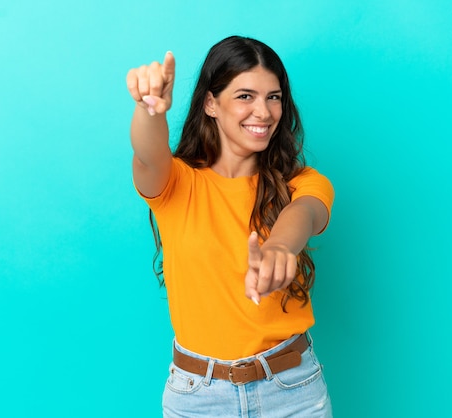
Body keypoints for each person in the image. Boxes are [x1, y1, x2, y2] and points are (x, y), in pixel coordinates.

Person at [126, 35, 335, 417]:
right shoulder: (176, 183)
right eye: (245, 96)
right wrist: (149, 109)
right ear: (211, 103)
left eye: (274, 97)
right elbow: (148, 152)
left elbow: (303, 213)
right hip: (197, 398)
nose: (264, 111)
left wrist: (279, 248)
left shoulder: (302, 183)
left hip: (293, 391)